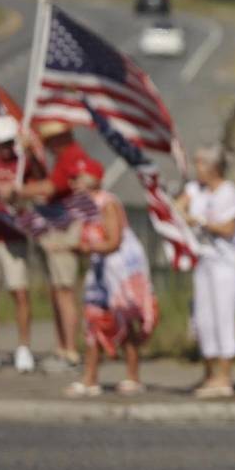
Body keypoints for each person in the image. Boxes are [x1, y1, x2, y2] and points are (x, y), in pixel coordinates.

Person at [65, 164, 159, 397]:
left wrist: (85, 248)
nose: (75, 183)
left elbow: (114, 241)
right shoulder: (86, 206)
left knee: (123, 320)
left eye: (79, 178)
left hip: (119, 271)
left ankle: (132, 376)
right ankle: (90, 378)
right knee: (94, 319)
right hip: (101, 268)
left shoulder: (107, 203)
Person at [20, 120, 102, 369]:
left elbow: (52, 187)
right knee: (57, 290)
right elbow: (46, 180)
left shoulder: (73, 157)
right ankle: (62, 346)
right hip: (55, 231)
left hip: (66, 233)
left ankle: (70, 350)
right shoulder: (62, 159)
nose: (49, 146)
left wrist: (17, 191)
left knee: (65, 290)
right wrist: (29, 156)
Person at [175, 143, 235, 397]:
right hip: (203, 261)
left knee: (223, 316)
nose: (198, 168)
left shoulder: (228, 192)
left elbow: (228, 229)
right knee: (203, 317)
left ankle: (224, 377)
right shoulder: (196, 189)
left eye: (201, 163)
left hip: (225, 264)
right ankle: (209, 375)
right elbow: (177, 207)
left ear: (214, 166)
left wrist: (201, 221)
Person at [0, 115, 34, 374]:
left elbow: (38, 189)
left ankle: (24, 348)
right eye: (2, 143)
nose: (6, 148)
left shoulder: (23, 163)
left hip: (14, 236)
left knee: (19, 292)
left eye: (9, 143)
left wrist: (17, 192)